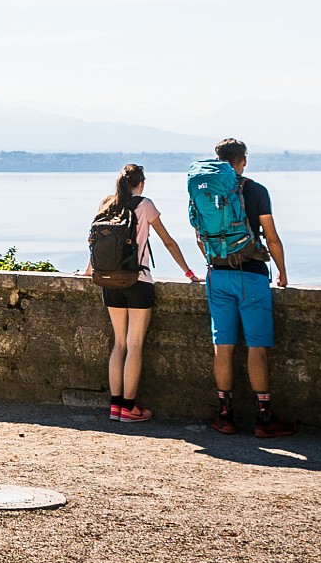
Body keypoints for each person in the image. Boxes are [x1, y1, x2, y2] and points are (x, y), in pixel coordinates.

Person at [81, 162, 198, 423]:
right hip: (139, 281)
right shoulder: (145, 205)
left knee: (119, 344)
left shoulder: (106, 203)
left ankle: (114, 407)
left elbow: (96, 243)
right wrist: (189, 273)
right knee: (134, 345)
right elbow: (168, 241)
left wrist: (90, 270)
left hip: (109, 282)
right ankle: (129, 408)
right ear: (141, 184)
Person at [195, 136, 294, 437]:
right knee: (256, 347)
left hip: (218, 274)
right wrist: (282, 271)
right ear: (243, 160)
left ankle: (225, 415)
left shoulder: (205, 190)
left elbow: (201, 237)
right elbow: (272, 237)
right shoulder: (256, 190)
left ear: (217, 159)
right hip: (251, 274)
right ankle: (264, 418)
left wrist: (216, 261)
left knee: (222, 346)